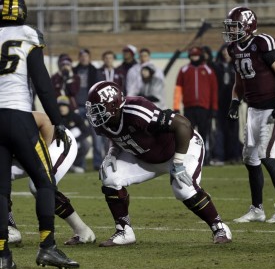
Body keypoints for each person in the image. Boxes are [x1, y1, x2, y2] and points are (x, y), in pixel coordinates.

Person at [85, 81, 232, 247]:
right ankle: (124, 231)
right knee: (110, 176)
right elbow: (117, 136)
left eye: (98, 108)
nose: (94, 114)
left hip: (181, 148)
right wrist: (112, 153)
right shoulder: (105, 121)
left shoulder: (137, 110)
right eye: (92, 108)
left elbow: (183, 125)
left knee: (183, 189)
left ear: (113, 105)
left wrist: (178, 162)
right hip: (145, 156)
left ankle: (219, 226)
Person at [0, 0, 79, 269]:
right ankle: (47, 247)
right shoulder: (28, 35)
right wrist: (56, 120)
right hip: (19, 117)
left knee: (0, 189)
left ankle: (2, 256)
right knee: (45, 182)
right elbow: (43, 84)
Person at [223, 6, 275, 223]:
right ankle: (257, 209)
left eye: (235, 26)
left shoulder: (262, 42)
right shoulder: (234, 48)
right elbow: (240, 79)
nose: (231, 31)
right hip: (253, 109)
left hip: (272, 108)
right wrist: (235, 102)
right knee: (250, 158)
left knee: (267, 156)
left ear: (247, 25)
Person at [9, 111, 96, 245]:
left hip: (55, 142)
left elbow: (45, 119)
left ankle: (83, 231)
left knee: (38, 185)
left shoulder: (8, 116)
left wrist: (37, 161)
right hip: (25, 152)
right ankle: (10, 229)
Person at [173, 46, 218, 162]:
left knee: (204, 134)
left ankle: (205, 158)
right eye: (192, 55)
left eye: (196, 55)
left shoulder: (208, 70)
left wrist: (214, 108)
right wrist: (176, 107)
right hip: (189, 108)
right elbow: (178, 90)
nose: (194, 57)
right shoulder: (184, 70)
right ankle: (190, 157)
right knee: (189, 134)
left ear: (200, 56)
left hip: (204, 108)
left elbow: (214, 91)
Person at [210, 44, 241, 165]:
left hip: (233, 103)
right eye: (223, 52)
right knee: (220, 130)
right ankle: (219, 156)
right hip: (220, 104)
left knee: (233, 129)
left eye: (227, 52)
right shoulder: (216, 66)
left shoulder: (236, 66)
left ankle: (234, 155)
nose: (225, 54)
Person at [73, 48, 104, 170]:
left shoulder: (95, 71)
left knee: (97, 136)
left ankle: (97, 163)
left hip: (91, 107)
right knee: (78, 136)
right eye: (82, 56)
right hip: (77, 107)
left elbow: (99, 89)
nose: (84, 58)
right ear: (79, 58)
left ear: (89, 58)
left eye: (86, 56)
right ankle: (80, 163)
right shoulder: (74, 71)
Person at [57, 96, 91, 173]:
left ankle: (76, 165)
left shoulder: (75, 116)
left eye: (64, 105)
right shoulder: (56, 117)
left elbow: (86, 131)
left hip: (75, 141)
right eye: (60, 106)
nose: (62, 108)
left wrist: (75, 140)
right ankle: (63, 166)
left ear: (68, 106)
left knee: (86, 144)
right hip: (60, 142)